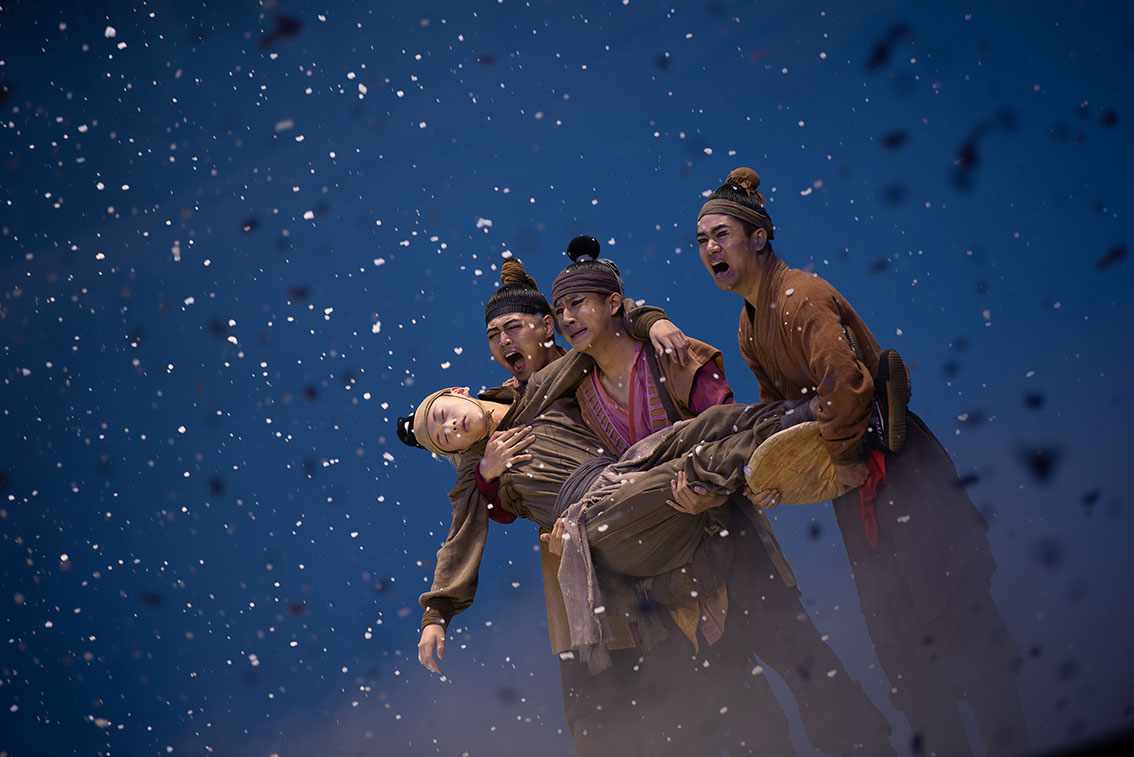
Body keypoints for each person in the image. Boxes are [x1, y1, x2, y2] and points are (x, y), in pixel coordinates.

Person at [695, 166, 1030, 756]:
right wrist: (777, 472)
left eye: (721, 234)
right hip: (857, 487)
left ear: (758, 238)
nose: (710, 249)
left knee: (959, 624)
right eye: (702, 240)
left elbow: (848, 387)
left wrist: (840, 450)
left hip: (902, 471)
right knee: (906, 646)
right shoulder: (751, 327)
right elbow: (782, 416)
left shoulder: (803, 296)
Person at [404, 261, 791, 755]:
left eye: (513, 328)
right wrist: (438, 610)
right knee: (613, 714)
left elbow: (615, 316)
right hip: (593, 562)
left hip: (651, 498)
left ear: (547, 326)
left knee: (726, 682)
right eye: (493, 335)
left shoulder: (578, 370)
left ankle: (795, 422)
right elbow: (474, 522)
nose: (504, 343)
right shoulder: (484, 447)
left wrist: (653, 319)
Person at [544, 237, 895, 756]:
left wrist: (727, 482)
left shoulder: (676, 357)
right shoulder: (578, 391)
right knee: (732, 711)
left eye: (577, 303)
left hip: (730, 541)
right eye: (558, 311)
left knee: (808, 668)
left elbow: (728, 430)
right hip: (669, 569)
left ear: (614, 303)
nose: (566, 318)